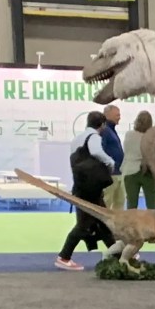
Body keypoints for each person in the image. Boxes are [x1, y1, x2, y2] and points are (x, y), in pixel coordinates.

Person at [55, 111, 118, 271]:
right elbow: (96, 152)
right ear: (102, 125)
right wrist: (110, 162)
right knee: (85, 224)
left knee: (103, 220)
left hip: (81, 186)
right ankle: (64, 257)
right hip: (92, 188)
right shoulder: (94, 137)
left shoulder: (77, 139)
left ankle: (117, 254)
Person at [120, 110, 155, 210]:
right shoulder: (152, 138)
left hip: (130, 171)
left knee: (131, 203)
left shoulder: (129, 135)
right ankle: (151, 220)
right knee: (151, 204)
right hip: (148, 173)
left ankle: (131, 220)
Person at [99, 105, 128, 209]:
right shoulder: (104, 131)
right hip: (110, 175)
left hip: (118, 173)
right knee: (106, 204)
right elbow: (101, 150)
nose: (119, 117)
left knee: (119, 203)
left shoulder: (111, 131)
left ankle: (117, 221)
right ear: (108, 115)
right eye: (117, 115)